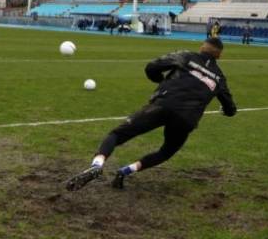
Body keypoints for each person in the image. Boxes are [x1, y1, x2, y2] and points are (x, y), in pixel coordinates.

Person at [66, 38, 237, 191]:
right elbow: (231, 109)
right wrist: (225, 110)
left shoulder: (186, 56)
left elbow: (152, 67)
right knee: (166, 152)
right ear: (219, 56)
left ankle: (97, 164)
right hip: (187, 119)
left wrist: (161, 81)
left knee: (117, 134)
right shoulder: (219, 78)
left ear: (202, 48)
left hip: (163, 105)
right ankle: (126, 171)